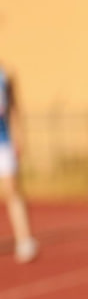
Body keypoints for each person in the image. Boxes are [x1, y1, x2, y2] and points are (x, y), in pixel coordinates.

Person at [0, 63, 37, 263]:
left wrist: (18, 135)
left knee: (11, 188)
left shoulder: (5, 76)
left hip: (3, 142)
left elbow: (14, 109)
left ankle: (24, 239)